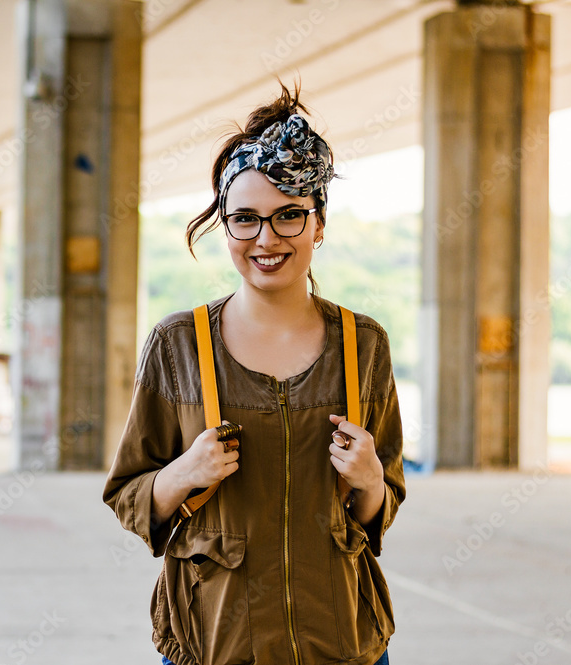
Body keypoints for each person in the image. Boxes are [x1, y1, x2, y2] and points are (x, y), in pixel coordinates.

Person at [102, 83, 406, 665]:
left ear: (318, 224)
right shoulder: (177, 345)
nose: (266, 239)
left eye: (289, 215)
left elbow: (377, 511)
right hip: (214, 644)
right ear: (225, 229)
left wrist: (369, 480)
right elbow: (128, 495)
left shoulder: (365, 345)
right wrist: (182, 473)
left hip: (343, 645)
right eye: (244, 219)